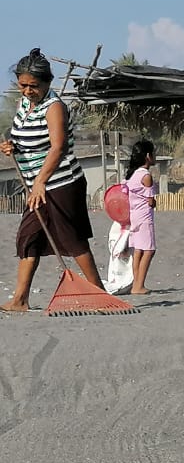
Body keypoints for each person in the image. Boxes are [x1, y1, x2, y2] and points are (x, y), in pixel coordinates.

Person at [1, 49, 106, 311]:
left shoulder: (54, 107)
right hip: (36, 185)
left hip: (61, 183)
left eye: (33, 86)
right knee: (28, 238)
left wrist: (40, 183)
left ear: (47, 83)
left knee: (71, 239)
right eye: (22, 85)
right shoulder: (24, 104)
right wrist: (12, 146)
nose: (27, 91)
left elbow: (57, 148)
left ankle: (101, 296)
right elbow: (24, 137)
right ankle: (20, 299)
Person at [124, 139, 158, 294]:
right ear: (148, 156)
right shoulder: (146, 175)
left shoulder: (132, 174)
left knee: (138, 250)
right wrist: (154, 201)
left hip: (134, 215)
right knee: (149, 250)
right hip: (144, 216)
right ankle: (139, 285)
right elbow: (150, 201)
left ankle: (136, 282)